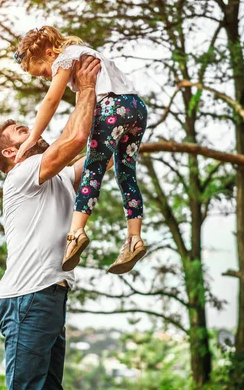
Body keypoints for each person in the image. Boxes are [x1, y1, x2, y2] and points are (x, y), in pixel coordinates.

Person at [0, 56, 101, 390]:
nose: (35, 131)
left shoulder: (58, 176)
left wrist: (118, 122)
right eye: (24, 132)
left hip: (49, 294)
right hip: (28, 297)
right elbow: (76, 138)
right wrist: (86, 87)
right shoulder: (22, 173)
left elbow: (96, 158)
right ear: (12, 153)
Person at [12, 26, 148, 275]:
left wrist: (32, 137)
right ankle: (134, 239)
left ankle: (75, 233)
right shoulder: (84, 55)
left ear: (50, 53)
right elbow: (81, 115)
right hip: (136, 107)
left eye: (42, 72)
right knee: (126, 173)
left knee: (92, 170)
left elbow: (51, 101)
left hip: (111, 108)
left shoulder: (65, 58)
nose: (46, 77)